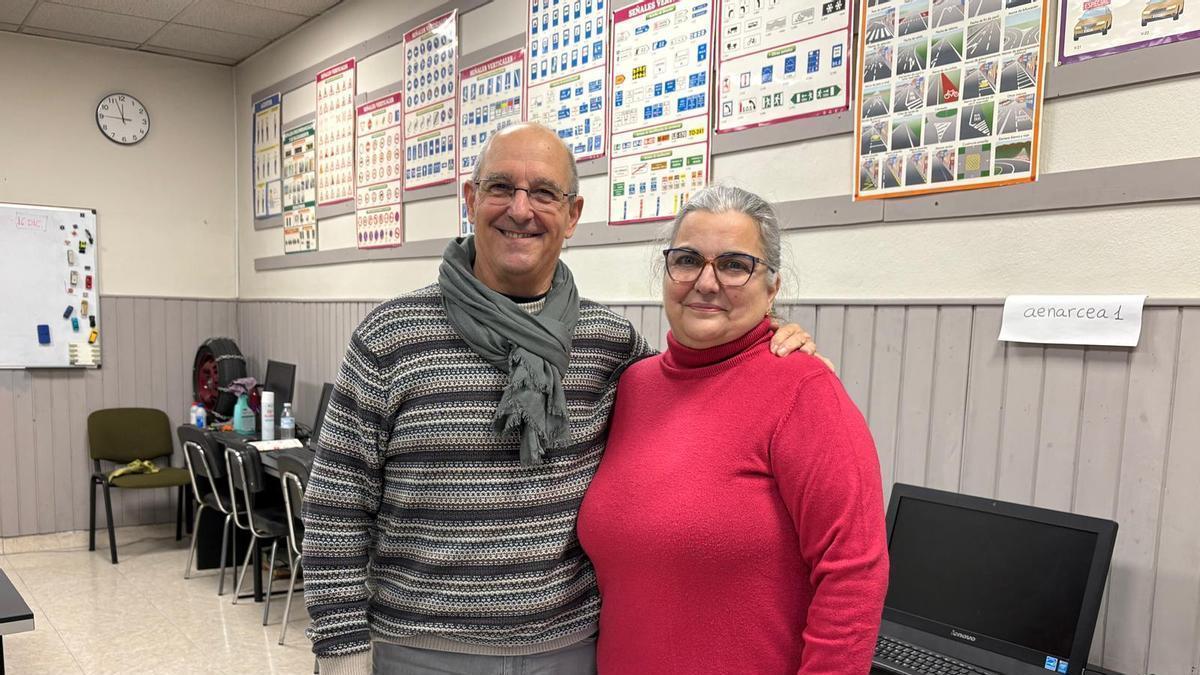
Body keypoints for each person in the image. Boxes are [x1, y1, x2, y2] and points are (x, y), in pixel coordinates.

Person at [302, 123, 818, 675]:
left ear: (571, 216)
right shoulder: (391, 336)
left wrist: (774, 344)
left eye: (544, 193)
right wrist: (340, 649)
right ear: (472, 201)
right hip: (418, 653)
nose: (520, 210)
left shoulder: (611, 346)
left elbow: (695, 387)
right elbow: (335, 504)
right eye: (501, 187)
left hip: (568, 653)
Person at [577, 185, 889, 674]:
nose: (706, 282)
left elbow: (854, 573)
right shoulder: (634, 385)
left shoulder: (805, 391)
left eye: (734, 265)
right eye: (687, 260)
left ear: (772, 287)